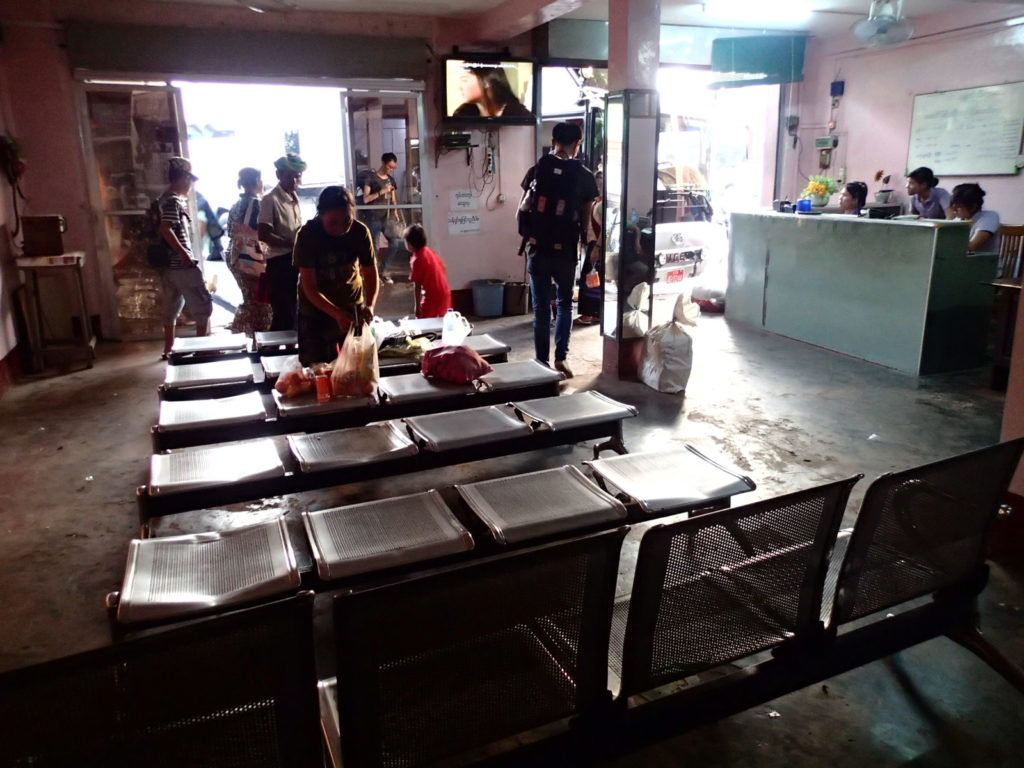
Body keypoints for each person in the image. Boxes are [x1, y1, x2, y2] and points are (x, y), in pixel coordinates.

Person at [520, 122, 599, 378]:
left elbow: (523, 209)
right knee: (565, 304)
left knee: (541, 307)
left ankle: (541, 362)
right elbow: (586, 217)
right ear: (577, 144)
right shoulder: (584, 175)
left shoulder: (538, 169)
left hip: (537, 250)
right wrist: (586, 243)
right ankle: (561, 358)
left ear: (553, 140)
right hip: (565, 252)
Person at [294, 186, 378, 366]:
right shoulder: (307, 236)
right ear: (320, 215)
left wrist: (370, 305)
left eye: (347, 220)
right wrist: (337, 314)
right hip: (315, 315)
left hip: (352, 311)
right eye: (333, 222)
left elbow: (370, 273)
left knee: (355, 371)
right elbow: (310, 288)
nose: (341, 228)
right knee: (317, 372)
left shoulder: (360, 232)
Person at [158, 157, 213, 359]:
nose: (190, 184)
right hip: (181, 265)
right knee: (202, 307)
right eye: (189, 179)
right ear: (182, 178)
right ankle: (202, 349)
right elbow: (166, 229)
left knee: (171, 308)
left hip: (168, 267)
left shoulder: (162, 199)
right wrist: (184, 254)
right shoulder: (173, 201)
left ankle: (168, 349)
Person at [258, 153, 306, 331]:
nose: (295, 179)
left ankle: (290, 352)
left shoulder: (294, 197)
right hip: (279, 262)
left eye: (298, 175)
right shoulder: (270, 199)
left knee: (294, 310)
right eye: (290, 175)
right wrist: (292, 244)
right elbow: (264, 234)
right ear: (279, 175)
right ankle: (272, 354)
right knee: (283, 312)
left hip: (295, 260)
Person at [225, 167, 272, 335]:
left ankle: (249, 334)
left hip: (235, 257)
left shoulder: (236, 205)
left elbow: (230, 231)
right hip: (252, 261)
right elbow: (262, 234)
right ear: (257, 182)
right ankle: (250, 332)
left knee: (252, 298)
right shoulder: (257, 204)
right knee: (262, 300)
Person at [360, 153, 403, 285]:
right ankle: (374, 275)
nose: (391, 169)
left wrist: (395, 212)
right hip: (373, 217)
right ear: (383, 163)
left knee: (395, 244)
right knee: (375, 248)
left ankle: (382, 270)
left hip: (387, 217)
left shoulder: (391, 180)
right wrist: (381, 192)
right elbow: (365, 199)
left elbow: (393, 199)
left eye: (393, 167)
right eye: (390, 167)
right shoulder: (370, 178)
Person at [404, 223, 452, 318]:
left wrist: (417, 307)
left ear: (410, 244)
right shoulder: (429, 252)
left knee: (424, 320)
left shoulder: (417, 259)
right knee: (442, 322)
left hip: (433, 296)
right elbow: (443, 268)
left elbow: (417, 286)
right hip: (445, 292)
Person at [575, 169, 603, 326]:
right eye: (597, 185)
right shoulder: (596, 203)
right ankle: (595, 313)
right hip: (593, 244)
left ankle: (588, 315)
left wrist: (597, 247)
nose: (598, 188)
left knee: (589, 281)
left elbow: (604, 229)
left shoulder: (601, 206)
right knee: (593, 280)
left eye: (600, 185)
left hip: (596, 245)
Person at [453, 66, 533, 118]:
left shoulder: (519, 115)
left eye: (465, 80)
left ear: (486, 82)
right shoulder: (462, 113)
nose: (460, 87)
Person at [950, 183, 1001, 253]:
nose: (954, 211)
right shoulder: (959, 220)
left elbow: (972, 246)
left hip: (983, 262)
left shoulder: (990, 217)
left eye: (958, 207)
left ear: (973, 207)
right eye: (953, 207)